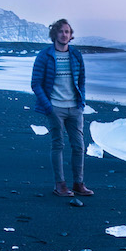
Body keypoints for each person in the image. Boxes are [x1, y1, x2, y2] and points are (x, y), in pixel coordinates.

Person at [31, 18, 92, 197]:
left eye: (67, 32)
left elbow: (81, 80)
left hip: (74, 107)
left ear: (70, 35)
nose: (64, 34)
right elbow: (35, 84)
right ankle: (60, 185)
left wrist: (81, 102)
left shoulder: (76, 55)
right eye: (61, 31)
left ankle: (79, 184)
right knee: (58, 145)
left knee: (79, 146)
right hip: (55, 108)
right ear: (54, 34)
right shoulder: (45, 56)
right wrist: (48, 107)